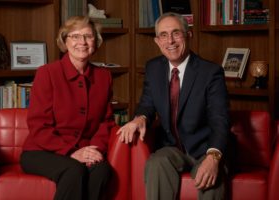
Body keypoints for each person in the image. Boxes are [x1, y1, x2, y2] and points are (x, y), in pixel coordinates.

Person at [117, 12, 231, 200]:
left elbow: (220, 119)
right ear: (157, 41)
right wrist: (139, 118)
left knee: (210, 177)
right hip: (172, 148)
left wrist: (214, 157)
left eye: (176, 33)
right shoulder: (153, 68)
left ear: (188, 35)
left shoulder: (210, 72)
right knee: (156, 163)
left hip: (206, 148)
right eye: (163, 35)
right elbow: (147, 105)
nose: (170, 40)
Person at [20, 16, 115, 200]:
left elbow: (106, 121)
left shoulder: (103, 77)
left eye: (88, 36)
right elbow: (39, 126)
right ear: (65, 41)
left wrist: (94, 150)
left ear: (96, 41)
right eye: (75, 36)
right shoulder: (47, 73)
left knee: (101, 170)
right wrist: (72, 152)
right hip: (42, 150)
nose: (82, 42)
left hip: (85, 148)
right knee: (74, 170)